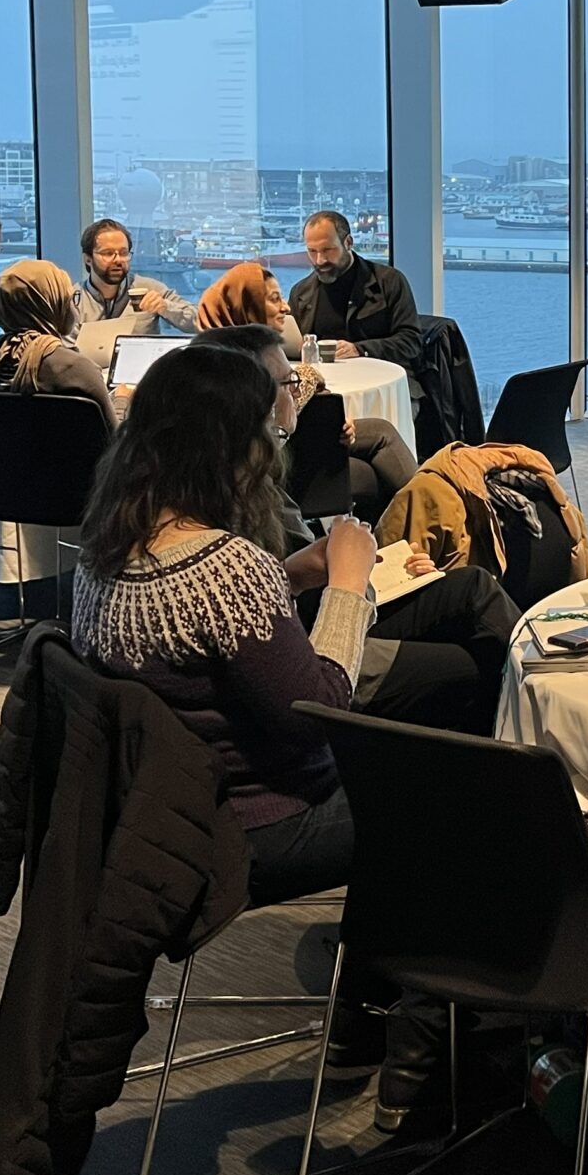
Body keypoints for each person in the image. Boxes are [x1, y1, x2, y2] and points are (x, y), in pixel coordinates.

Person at [67, 343, 378, 909]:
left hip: (159, 819)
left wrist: (287, 578)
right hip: (257, 827)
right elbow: (320, 714)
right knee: (454, 790)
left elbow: (194, 646)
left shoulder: (104, 553)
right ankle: (398, 982)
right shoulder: (225, 568)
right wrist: (347, 588)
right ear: (235, 446)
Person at [188, 323, 512, 735]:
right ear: (251, 403)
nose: (295, 394)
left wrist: (299, 574)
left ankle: (546, 686)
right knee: (474, 664)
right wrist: (350, 583)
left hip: (311, 609)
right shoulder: (230, 514)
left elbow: (262, 599)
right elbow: (309, 686)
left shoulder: (224, 478)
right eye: (286, 384)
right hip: (319, 648)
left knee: (473, 588)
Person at [198, 262, 419, 520]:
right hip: (278, 472)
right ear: (247, 305)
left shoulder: (220, 353)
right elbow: (278, 423)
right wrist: (309, 377)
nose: (286, 306)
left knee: (381, 433)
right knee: (374, 474)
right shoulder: (243, 364)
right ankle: (426, 515)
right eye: (273, 299)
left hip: (289, 452)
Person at [0, 259, 116, 425]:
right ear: (51, 304)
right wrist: (122, 401)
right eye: (68, 299)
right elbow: (116, 441)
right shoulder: (77, 369)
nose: (74, 307)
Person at [286, 210, 422, 370]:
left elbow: (411, 341)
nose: (320, 260)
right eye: (312, 251)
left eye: (327, 250)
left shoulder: (389, 281)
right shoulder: (301, 292)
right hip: (324, 381)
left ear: (348, 243)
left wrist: (360, 349)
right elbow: (291, 345)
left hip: (380, 375)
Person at [70, 218, 196, 334]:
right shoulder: (72, 299)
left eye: (124, 253)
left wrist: (166, 307)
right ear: (88, 259)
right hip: (90, 359)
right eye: (108, 253)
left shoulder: (149, 288)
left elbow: (199, 322)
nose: (118, 260)